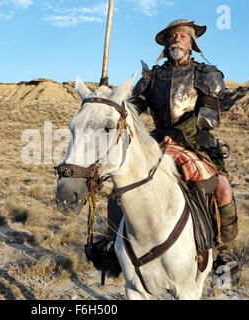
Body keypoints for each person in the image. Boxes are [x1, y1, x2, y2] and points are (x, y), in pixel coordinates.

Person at [91, 19, 239, 278]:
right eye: (172, 36)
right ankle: (113, 241)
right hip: (156, 142)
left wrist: (179, 134)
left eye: (182, 36)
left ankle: (222, 249)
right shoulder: (153, 76)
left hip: (196, 143)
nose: (176, 40)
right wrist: (109, 97)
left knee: (223, 189)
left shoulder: (206, 73)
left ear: (191, 42)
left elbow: (210, 115)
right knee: (120, 185)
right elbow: (132, 107)